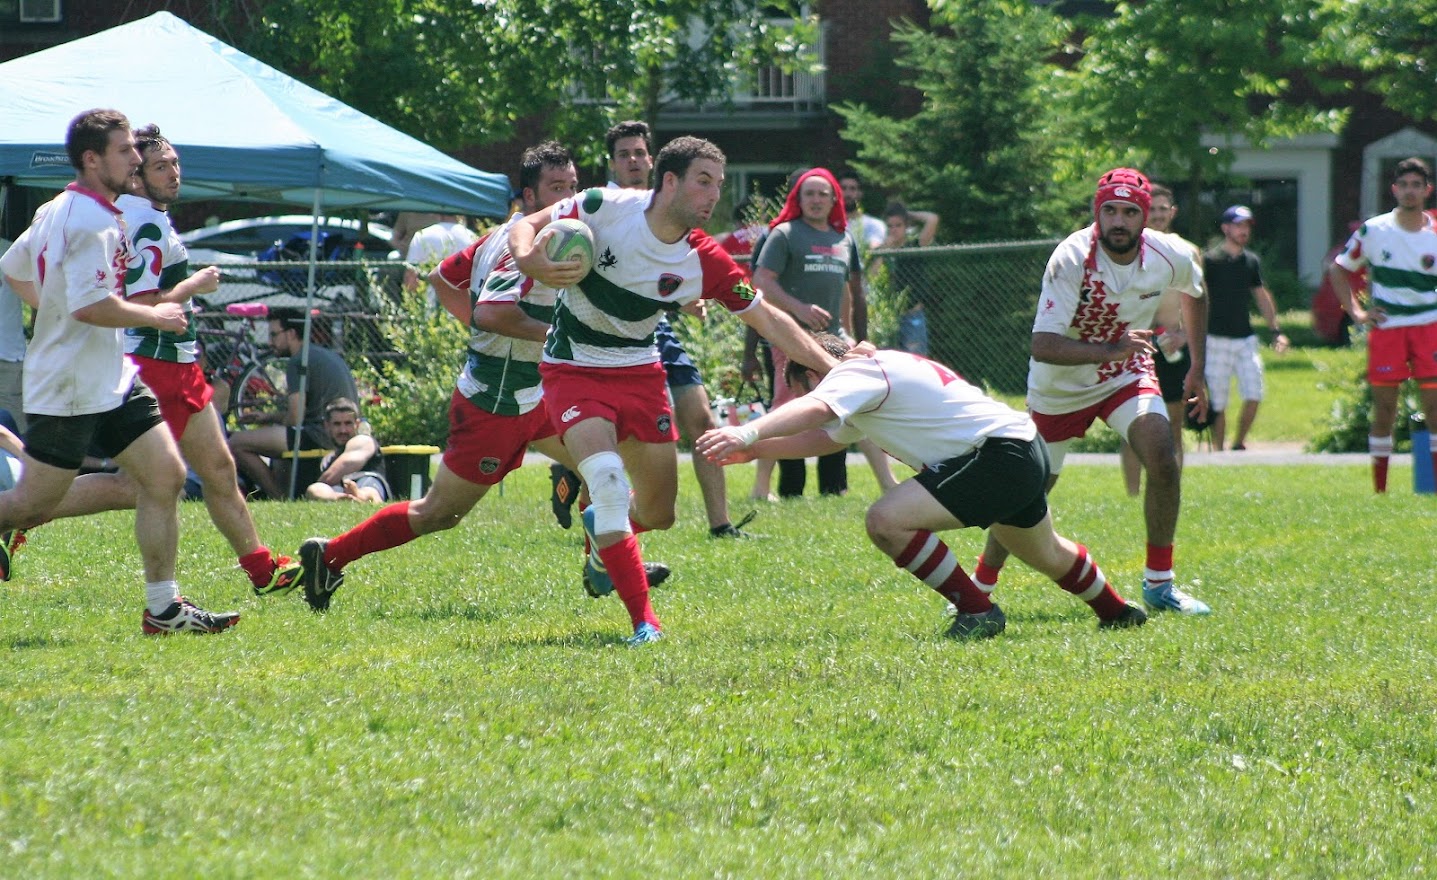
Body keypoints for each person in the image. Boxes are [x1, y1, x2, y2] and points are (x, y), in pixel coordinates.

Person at [295, 141, 668, 611]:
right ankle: (328, 557)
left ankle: (604, 565)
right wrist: (553, 334)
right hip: (497, 402)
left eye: (572, 186)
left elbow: (443, 280)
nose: (568, 198)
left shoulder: (511, 234)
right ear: (527, 197)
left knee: (601, 464)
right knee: (437, 514)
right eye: (556, 189)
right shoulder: (522, 248)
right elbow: (493, 315)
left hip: (535, 394)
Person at [510, 135, 841, 645]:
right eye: (703, 182)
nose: (713, 196)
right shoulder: (603, 205)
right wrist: (530, 259)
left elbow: (769, 319)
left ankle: (603, 539)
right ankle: (645, 623)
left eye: (719, 185)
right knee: (609, 481)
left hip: (641, 373)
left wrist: (828, 367)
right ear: (669, 182)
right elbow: (527, 224)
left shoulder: (704, 260)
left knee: (659, 513)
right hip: (573, 368)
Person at [697, 333, 1147, 637]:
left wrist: (747, 432)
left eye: (800, 389)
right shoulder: (875, 370)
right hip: (1021, 448)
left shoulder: (853, 373)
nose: (802, 398)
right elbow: (824, 437)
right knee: (1046, 553)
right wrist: (758, 452)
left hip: (996, 455)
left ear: (814, 374)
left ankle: (978, 611)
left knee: (886, 521)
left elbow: (816, 412)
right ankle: (1116, 612)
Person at [0, 108, 238, 634]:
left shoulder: (57, 208)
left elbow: (13, 268)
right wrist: (155, 314)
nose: (137, 157)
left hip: (111, 376)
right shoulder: (91, 222)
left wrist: (52, 309)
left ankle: (164, 610)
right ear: (92, 159)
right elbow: (89, 307)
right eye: (126, 150)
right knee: (33, 504)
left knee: (167, 475)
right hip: (69, 385)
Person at [973, 168, 1213, 617]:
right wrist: (1110, 349)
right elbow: (1042, 346)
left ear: (1145, 218)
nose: (1118, 222)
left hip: (1126, 373)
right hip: (1060, 388)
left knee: (1163, 457)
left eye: (1129, 212)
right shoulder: (1070, 258)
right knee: (1027, 492)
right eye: (1110, 211)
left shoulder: (1170, 253)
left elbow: (1196, 292)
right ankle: (980, 584)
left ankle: (1160, 585)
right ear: (1095, 213)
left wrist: (1198, 365)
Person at [549, 120, 751, 539]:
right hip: (594, 338)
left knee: (702, 418)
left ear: (654, 162)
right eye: (624, 155)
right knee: (607, 457)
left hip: (652, 332)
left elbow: (676, 269)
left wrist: (693, 293)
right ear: (613, 164)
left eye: (640, 153)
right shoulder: (604, 207)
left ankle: (720, 523)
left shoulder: (676, 214)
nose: (634, 161)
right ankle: (596, 514)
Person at [752, 167, 896, 498]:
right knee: (785, 410)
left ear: (834, 199)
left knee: (860, 403)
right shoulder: (784, 234)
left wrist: (850, 334)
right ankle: (761, 488)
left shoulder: (843, 238)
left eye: (823, 194)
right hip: (789, 336)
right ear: (798, 199)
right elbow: (761, 282)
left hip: (834, 340)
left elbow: (849, 290)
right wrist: (799, 308)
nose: (816, 200)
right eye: (809, 194)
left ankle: (888, 484)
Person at [1329, 156, 1437, 493]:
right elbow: (1339, 269)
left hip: (1429, 328)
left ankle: (1432, 486)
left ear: (1427, 190)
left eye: (1416, 185)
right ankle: (1380, 491)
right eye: (1403, 185)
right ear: (1394, 189)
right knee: (1385, 408)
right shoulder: (1374, 230)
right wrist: (1357, 313)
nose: (1409, 191)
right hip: (1388, 329)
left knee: (1434, 407)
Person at [1118, 183, 1202, 495]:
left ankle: (1171, 492)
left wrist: (1183, 335)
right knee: (1132, 426)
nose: (1157, 215)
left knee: (1174, 425)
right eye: (1151, 209)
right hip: (1135, 346)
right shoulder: (1126, 248)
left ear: (1173, 212)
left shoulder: (1187, 251)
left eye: (1162, 209)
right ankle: (1131, 495)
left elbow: (1197, 298)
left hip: (1173, 349)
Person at [228, 307, 359, 499]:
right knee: (273, 435)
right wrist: (269, 417)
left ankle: (277, 496)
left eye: (274, 335)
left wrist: (272, 423)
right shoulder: (321, 353)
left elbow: (295, 418)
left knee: (236, 442)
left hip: (318, 434)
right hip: (332, 429)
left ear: (291, 334)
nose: (270, 342)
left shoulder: (299, 361)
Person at [1203, 205, 1289, 451]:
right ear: (1225, 228)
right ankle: (1218, 453)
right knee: (1217, 403)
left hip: (1245, 339)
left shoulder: (1250, 261)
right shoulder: (1209, 260)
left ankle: (1238, 443)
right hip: (1215, 338)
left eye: (1246, 226)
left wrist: (1276, 331)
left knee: (1254, 392)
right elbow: (1198, 298)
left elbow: (1261, 296)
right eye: (1238, 225)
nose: (1243, 231)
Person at [877, 200, 941, 357]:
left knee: (916, 361)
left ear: (906, 226)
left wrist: (907, 213)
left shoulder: (916, 245)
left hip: (912, 314)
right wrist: (884, 250)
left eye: (898, 225)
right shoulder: (881, 250)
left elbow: (932, 219)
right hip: (887, 316)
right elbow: (872, 275)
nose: (894, 230)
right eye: (890, 226)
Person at [304, 397, 388, 503]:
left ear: (357, 424)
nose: (343, 430)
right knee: (315, 489)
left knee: (369, 489)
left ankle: (360, 496)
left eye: (348, 423)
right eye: (337, 424)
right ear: (327, 426)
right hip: (339, 489)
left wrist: (322, 482)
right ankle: (340, 498)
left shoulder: (364, 440)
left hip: (367, 482)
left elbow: (345, 465)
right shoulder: (329, 458)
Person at [403, 213, 477, 293]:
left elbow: (410, 277)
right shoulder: (471, 237)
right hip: (464, 302)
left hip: (429, 301)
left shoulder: (422, 235)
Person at [0, 237, 26, 431]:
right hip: (10, 354)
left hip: (9, 357)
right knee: (16, 438)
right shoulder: (14, 251)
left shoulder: (13, 250)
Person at [837, 169, 886, 252]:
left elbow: (875, 252)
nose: (848, 193)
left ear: (860, 193)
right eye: (843, 188)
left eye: (852, 189)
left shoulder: (873, 225)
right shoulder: (827, 224)